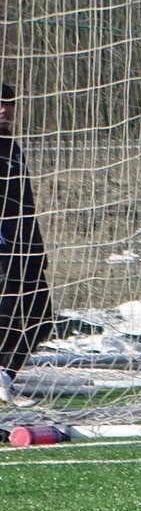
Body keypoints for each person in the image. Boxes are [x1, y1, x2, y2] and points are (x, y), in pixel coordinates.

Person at [0, 83, 51, 408]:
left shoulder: (12, 148)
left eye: (9, 104)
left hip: (23, 248)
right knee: (5, 316)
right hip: (3, 250)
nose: (5, 110)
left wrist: (36, 247)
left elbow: (25, 204)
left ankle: (4, 377)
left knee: (41, 315)